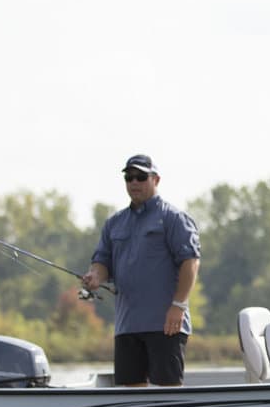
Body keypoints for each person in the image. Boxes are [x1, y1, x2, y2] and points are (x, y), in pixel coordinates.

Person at [82, 155, 201, 386]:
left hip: (166, 325)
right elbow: (102, 261)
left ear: (156, 179)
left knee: (168, 392)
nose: (134, 182)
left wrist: (178, 306)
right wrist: (95, 276)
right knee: (131, 393)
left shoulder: (174, 219)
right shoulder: (114, 223)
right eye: (129, 177)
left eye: (140, 177)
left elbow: (191, 262)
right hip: (127, 326)